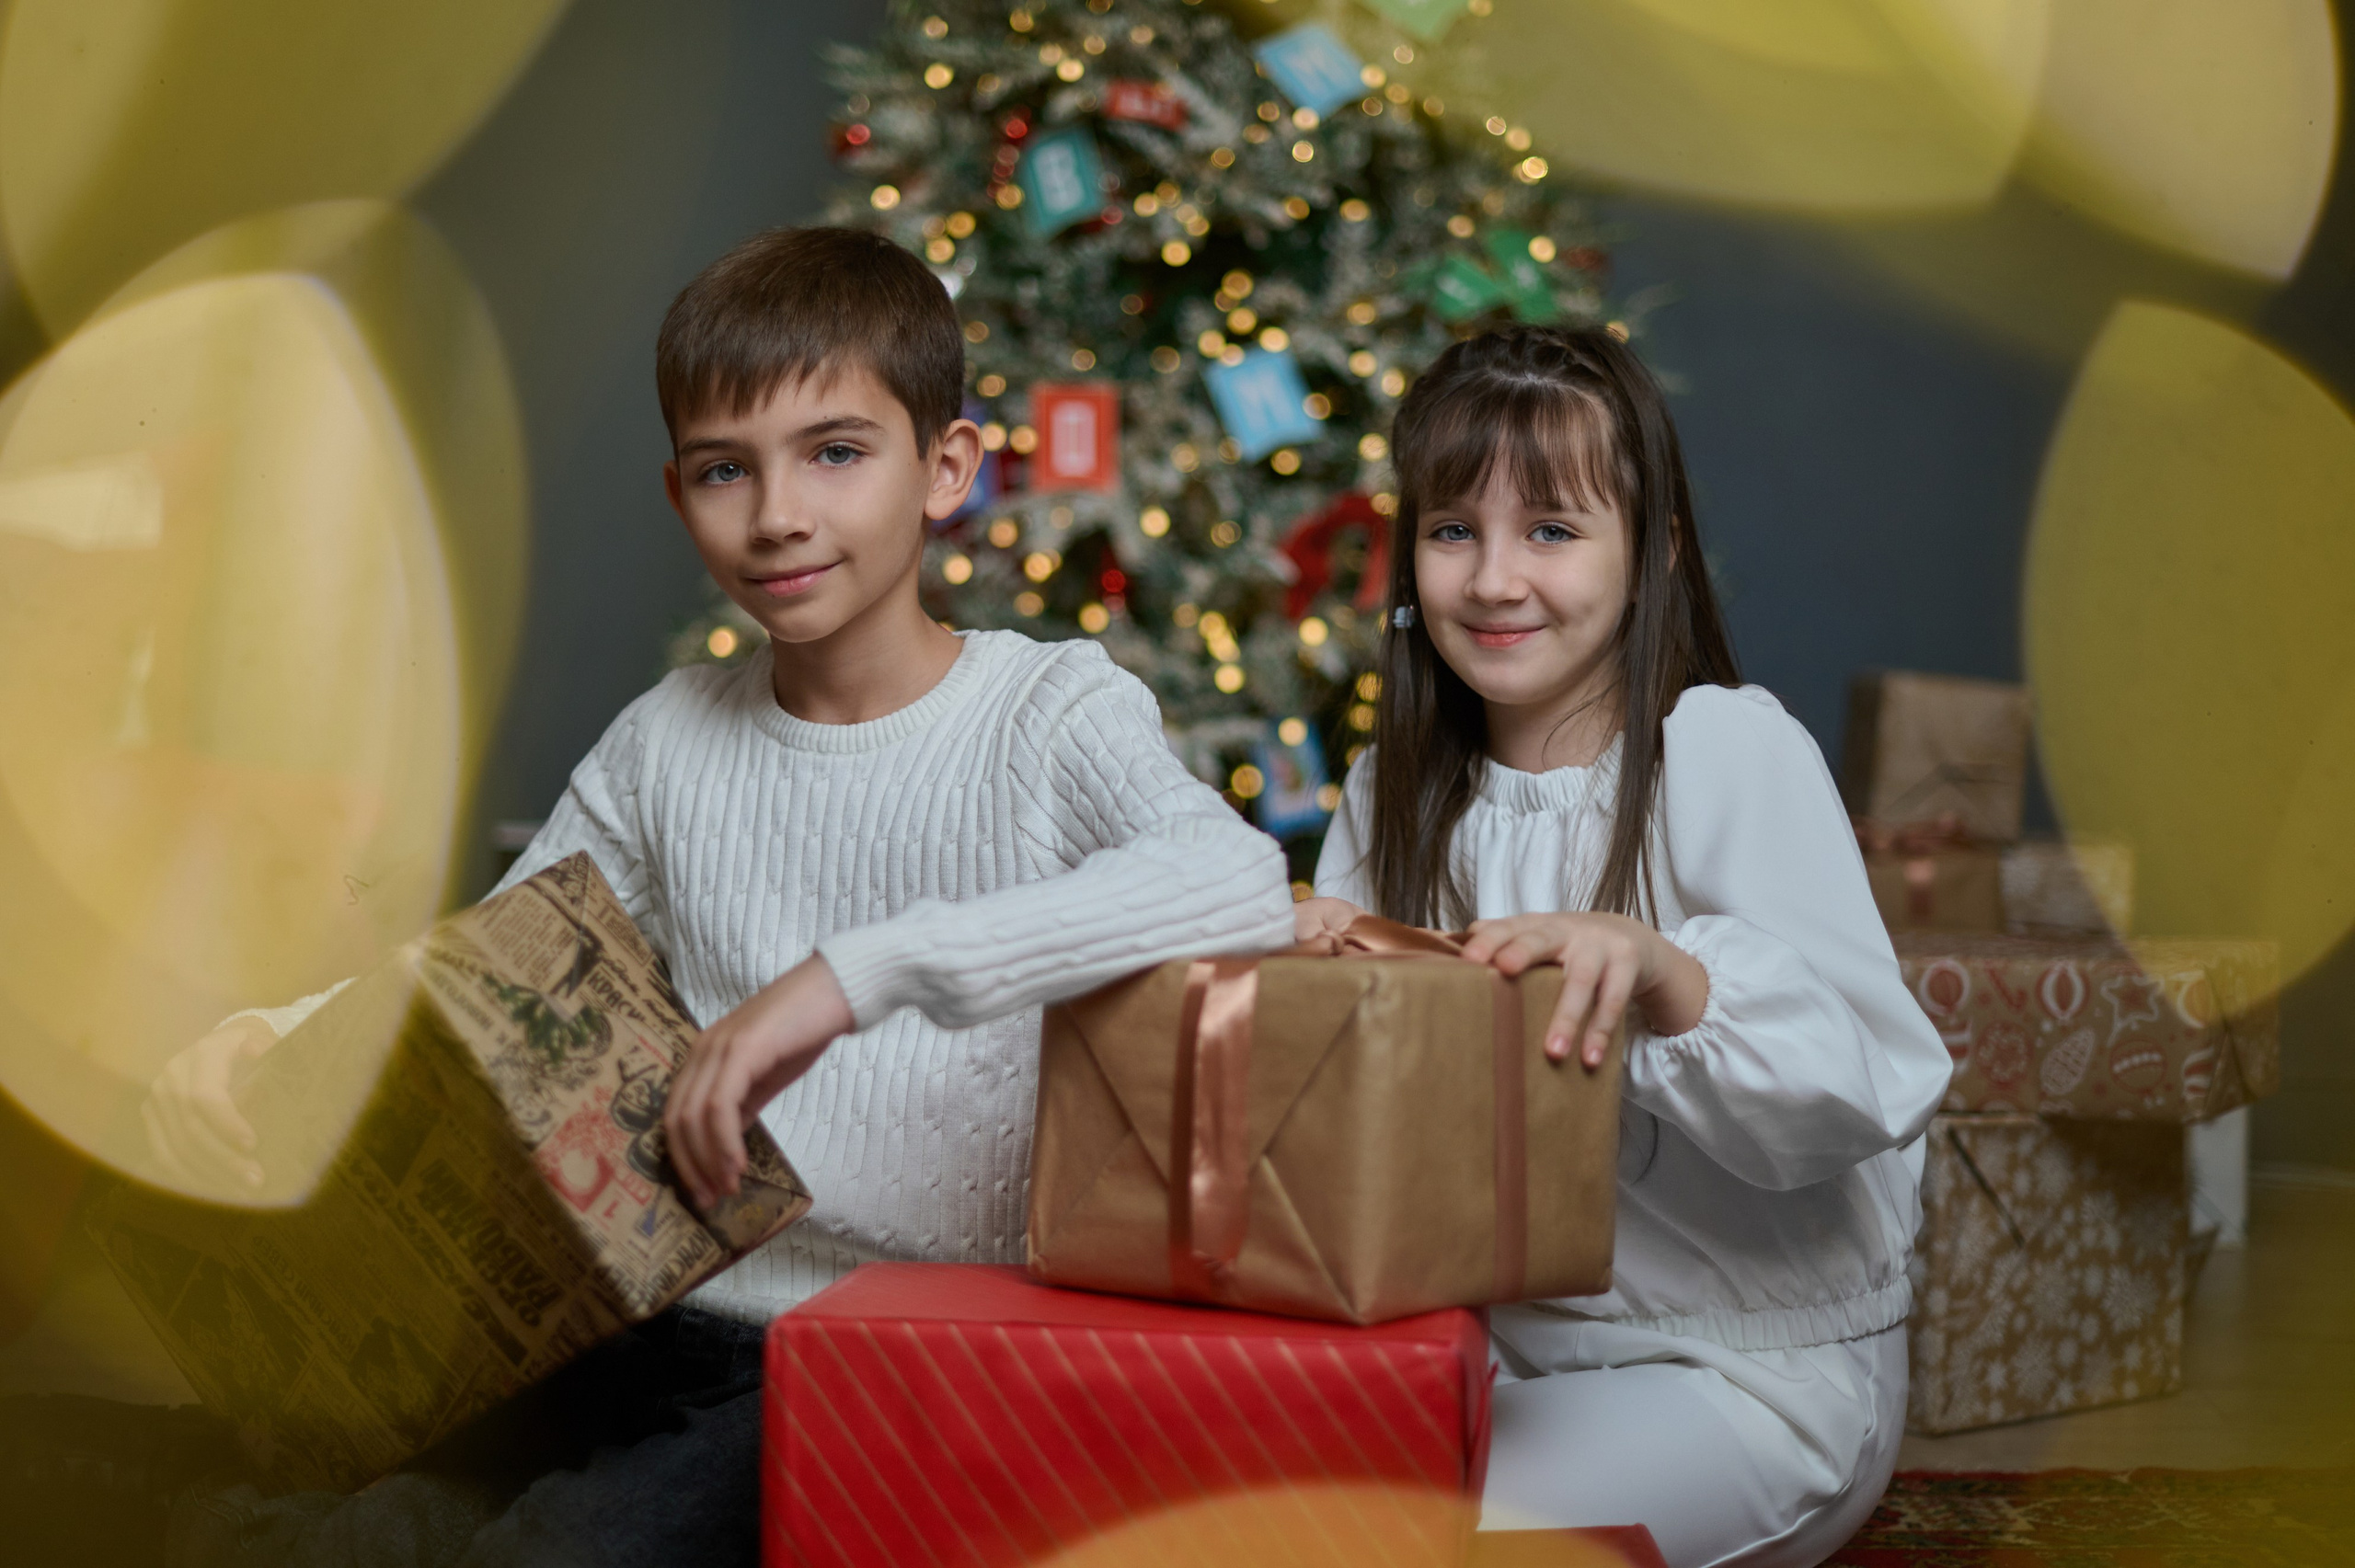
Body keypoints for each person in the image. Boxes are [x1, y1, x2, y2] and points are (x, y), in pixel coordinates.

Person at [143, 225, 1295, 1567]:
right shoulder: (668, 735)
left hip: (879, 1355)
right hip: (642, 1318)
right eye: (724, 470)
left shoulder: (1048, 710)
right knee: (320, 1508)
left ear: (949, 469)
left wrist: (849, 976)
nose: (779, 514)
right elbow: (485, 980)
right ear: (680, 492)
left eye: (837, 453)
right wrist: (268, 1037)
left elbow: (1232, 875)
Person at [1294, 325, 1951, 1568]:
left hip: (1748, 1374)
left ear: (1651, 557)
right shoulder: (1395, 792)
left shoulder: (1722, 751)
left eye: (1550, 530)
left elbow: (1860, 1089)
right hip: (1483, 1356)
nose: (1493, 580)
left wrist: (1668, 975)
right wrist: (1309, 987)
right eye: (1452, 531)